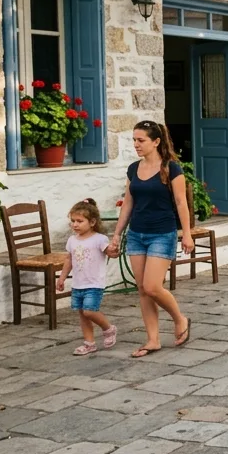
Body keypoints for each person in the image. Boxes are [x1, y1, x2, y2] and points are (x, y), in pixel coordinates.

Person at [107, 120, 192, 359]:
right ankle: (153, 340)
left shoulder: (171, 168)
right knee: (143, 290)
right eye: (134, 139)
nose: (136, 144)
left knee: (153, 286)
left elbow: (181, 202)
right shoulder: (133, 169)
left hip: (162, 233)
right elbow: (128, 204)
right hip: (136, 234)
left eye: (141, 140)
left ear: (156, 142)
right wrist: (116, 235)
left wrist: (185, 233)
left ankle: (180, 319)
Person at [56, 198, 117, 356]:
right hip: (78, 283)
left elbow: (109, 252)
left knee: (89, 311)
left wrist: (114, 250)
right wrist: (62, 277)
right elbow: (69, 259)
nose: (75, 224)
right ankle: (89, 343)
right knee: (83, 314)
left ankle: (108, 329)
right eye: (73, 221)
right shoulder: (72, 241)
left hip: (94, 283)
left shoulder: (99, 239)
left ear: (92, 222)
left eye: (79, 221)